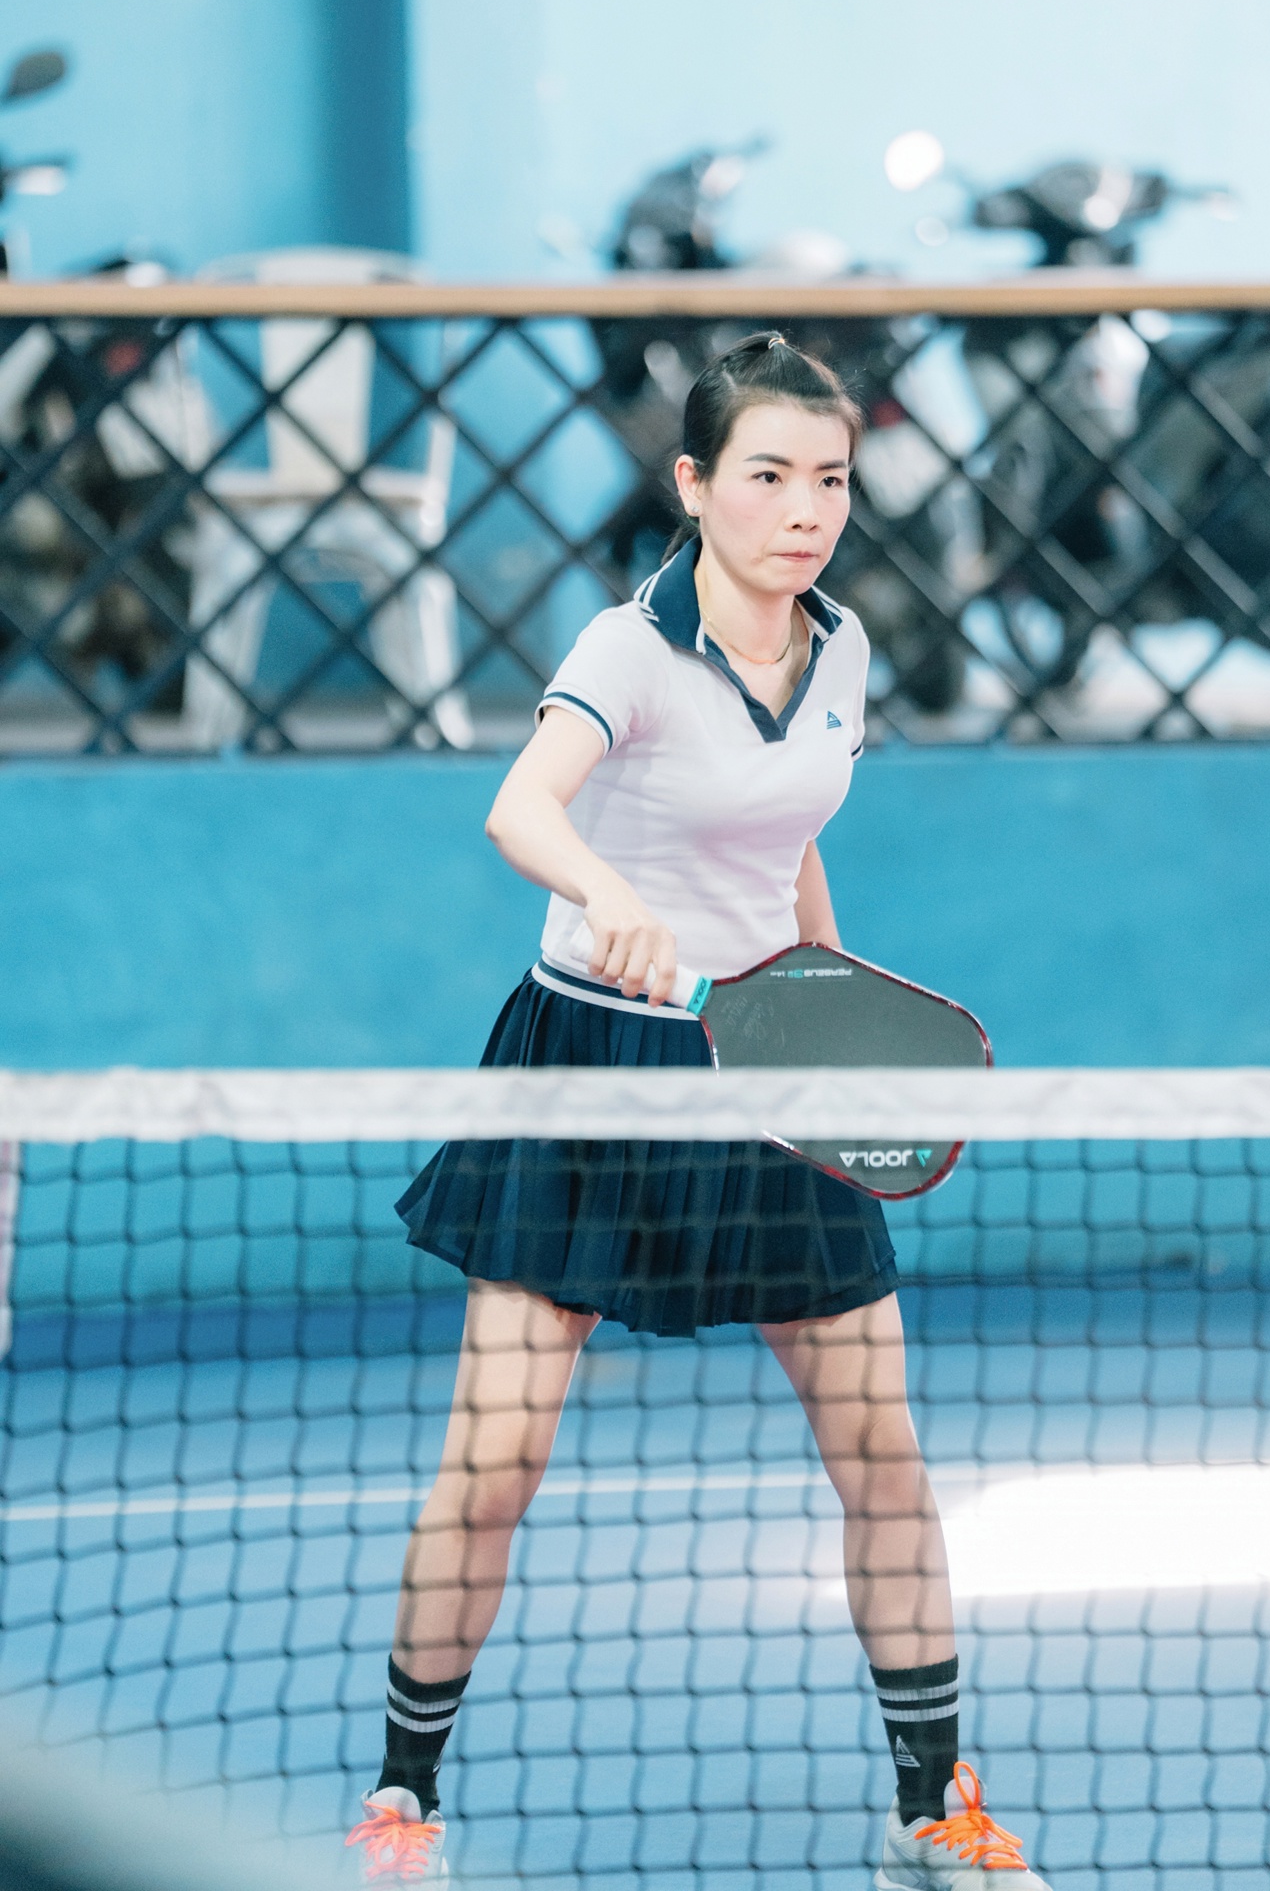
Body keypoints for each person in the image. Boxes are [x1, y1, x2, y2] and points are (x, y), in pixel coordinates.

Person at [346, 334, 1048, 1889]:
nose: (805, 510)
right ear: (694, 484)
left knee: (882, 1458)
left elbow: (788, 845)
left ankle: (933, 1804)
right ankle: (402, 1803)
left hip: (764, 1070)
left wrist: (833, 999)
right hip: (591, 1071)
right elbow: (522, 807)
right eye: (769, 476)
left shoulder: (842, 649)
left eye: (831, 480)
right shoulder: (629, 648)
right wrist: (607, 894)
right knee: (494, 1466)